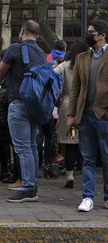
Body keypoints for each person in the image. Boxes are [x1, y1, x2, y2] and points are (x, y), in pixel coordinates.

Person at [0, 20, 46, 203]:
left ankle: (28, 188)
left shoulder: (15, 48)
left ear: (22, 31)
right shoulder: (41, 53)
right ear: (38, 35)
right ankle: (32, 184)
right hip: (35, 105)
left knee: (23, 147)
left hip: (18, 102)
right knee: (32, 145)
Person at [67, 20, 108, 212]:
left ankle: (107, 196)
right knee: (88, 158)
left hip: (104, 116)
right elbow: (75, 89)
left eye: (91, 33)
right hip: (85, 115)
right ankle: (87, 197)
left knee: (107, 158)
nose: (88, 35)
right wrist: (71, 114)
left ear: (102, 35)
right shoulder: (82, 58)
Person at [54, 40, 88, 189]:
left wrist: (58, 94)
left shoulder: (65, 65)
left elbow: (52, 76)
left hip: (68, 108)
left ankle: (69, 175)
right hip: (87, 105)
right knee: (88, 143)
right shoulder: (89, 64)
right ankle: (87, 174)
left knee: (70, 144)